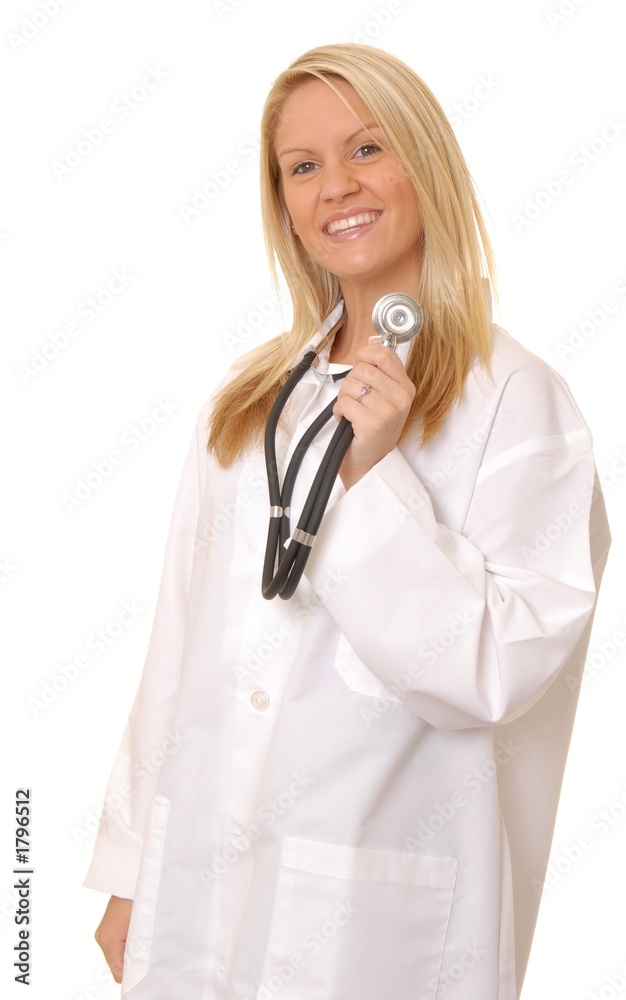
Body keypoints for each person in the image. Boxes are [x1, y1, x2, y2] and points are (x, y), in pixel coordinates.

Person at [84, 43, 611, 999]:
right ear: (283, 204)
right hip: (199, 877)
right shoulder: (251, 400)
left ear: (426, 161)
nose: (336, 187)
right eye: (303, 167)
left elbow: (500, 671)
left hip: (374, 907)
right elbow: (178, 649)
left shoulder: (514, 397)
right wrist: (129, 868)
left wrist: (371, 480)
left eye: (367, 148)